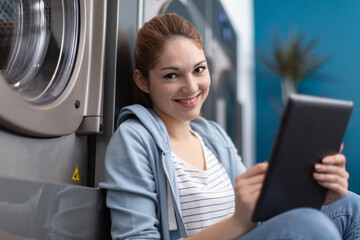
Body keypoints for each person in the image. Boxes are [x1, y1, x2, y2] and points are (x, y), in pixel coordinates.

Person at [100, 13, 360, 239]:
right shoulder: (133, 139)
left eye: (199, 70)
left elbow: (261, 216)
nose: (191, 87)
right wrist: (238, 222)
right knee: (310, 225)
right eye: (171, 75)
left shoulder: (214, 137)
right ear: (142, 81)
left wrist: (315, 197)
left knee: (350, 206)